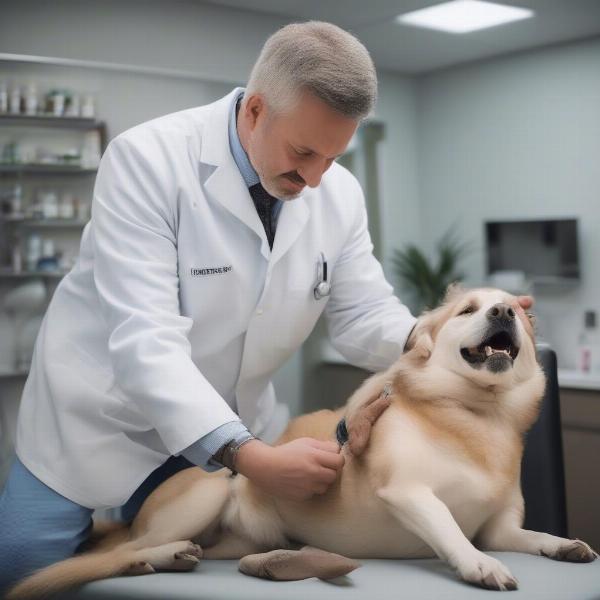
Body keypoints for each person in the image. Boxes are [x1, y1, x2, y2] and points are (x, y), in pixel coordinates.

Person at [0, 21, 533, 593]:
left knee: (200, 582)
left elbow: (362, 314)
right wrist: (248, 455)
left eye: (333, 156)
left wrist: (446, 335)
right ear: (254, 110)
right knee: (26, 572)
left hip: (226, 430)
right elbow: (146, 342)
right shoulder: (147, 161)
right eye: (303, 151)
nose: (314, 177)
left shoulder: (338, 192)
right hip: (97, 423)